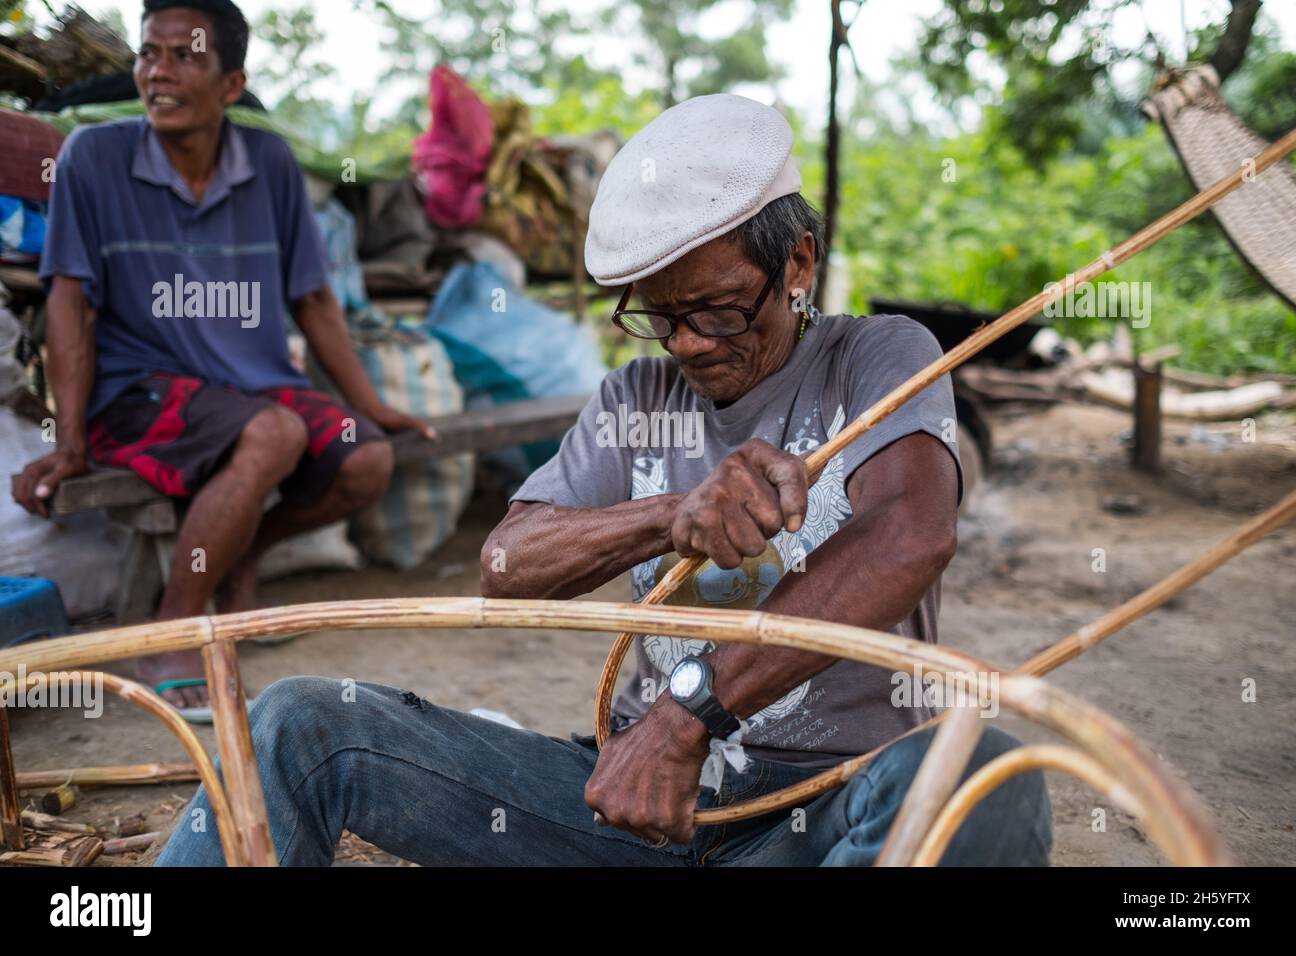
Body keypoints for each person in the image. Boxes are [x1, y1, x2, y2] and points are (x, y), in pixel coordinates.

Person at [158, 93, 1052, 865]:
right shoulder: (636, 394)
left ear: (800, 265)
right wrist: (670, 516)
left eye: (717, 309)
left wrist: (686, 714)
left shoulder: (879, 357)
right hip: (634, 816)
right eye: (660, 316)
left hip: (825, 813)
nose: (691, 344)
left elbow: (910, 535)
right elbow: (505, 570)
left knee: (979, 777)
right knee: (302, 724)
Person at [11, 0, 431, 722]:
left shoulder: (268, 162)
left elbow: (315, 296)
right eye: (150, 54)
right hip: (135, 391)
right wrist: (70, 439)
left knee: (366, 458)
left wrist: (370, 404)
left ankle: (238, 556)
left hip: (252, 386)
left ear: (231, 84)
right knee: (274, 434)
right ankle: (175, 630)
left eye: (185, 57)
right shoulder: (94, 157)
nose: (159, 73)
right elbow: (69, 303)